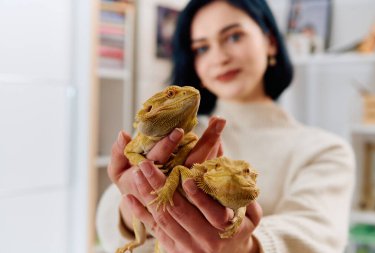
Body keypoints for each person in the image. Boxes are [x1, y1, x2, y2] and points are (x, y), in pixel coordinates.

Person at [96, 0, 355, 253]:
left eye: (234, 37)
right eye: (201, 49)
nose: (219, 57)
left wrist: (248, 245)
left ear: (271, 42)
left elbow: (317, 235)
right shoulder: (175, 138)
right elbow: (109, 224)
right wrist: (132, 208)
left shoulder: (325, 150)